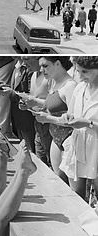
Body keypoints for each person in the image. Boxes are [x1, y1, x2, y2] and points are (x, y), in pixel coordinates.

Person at [34, 57, 98, 201]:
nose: (80, 77)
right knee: (76, 196)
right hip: (77, 146)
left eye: (85, 72)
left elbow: (86, 122)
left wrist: (88, 123)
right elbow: (71, 114)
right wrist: (68, 118)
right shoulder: (80, 88)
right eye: (78, 71)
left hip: (95, 149)